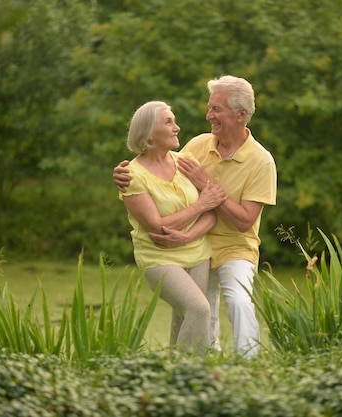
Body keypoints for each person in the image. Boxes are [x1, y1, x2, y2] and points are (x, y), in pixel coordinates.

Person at [114, 76, 277, 358]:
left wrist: (206, 193)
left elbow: (242, 221)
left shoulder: (261, 161)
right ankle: (202, 369)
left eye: (216, 109)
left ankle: (249, 365)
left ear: (241, 115)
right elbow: (161, 168)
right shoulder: (197, 147)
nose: (208, 116)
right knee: (202, 311)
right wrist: (121, 176)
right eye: (210, 107)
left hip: (233, 246)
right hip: (193, 245)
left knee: (237, 301)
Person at [118, 100, 227, 356]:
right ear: (148, 132)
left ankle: (175, 375)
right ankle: (190, 378)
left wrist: (189, 234)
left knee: (185, 318)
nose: (177, 127)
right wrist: (201, 204)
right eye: (168, 122)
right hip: (160, 259)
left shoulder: (185, 162)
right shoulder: (133, 175)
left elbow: (213, 213)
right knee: (199, 309)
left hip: (198, 254)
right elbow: (157, 227)